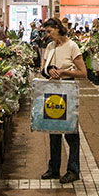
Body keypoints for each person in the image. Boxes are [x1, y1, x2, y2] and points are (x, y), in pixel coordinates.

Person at [38, 18, 85, 184]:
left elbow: (83, 72)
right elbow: (42, 68)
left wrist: (64, 72)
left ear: (58, 28)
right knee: (54, 131)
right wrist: (49, 72)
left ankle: (73, 169)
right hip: (53, 92)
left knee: (71, 133)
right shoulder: (50, 47)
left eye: (50, 31)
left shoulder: (72, 46)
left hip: (68, 90)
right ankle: (54, 168)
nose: (48, 35)